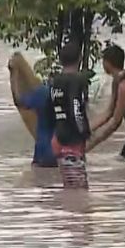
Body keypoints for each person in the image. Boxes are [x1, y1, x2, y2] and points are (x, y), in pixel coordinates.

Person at [50, 41, 91, 189]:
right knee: (79, 189)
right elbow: (75, 108)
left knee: (69, 185)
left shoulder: (56, 81)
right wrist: (84, 131)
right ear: (79, 58)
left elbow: (53, 108)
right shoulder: (76, 80)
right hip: (72, 140)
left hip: (59, 137)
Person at [9, 56, 57, 168]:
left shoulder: (42, 93)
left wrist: (13, 77)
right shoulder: (71, 93)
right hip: (65, 151)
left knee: (39, 181)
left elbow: (18, 101)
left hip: (44, 153)